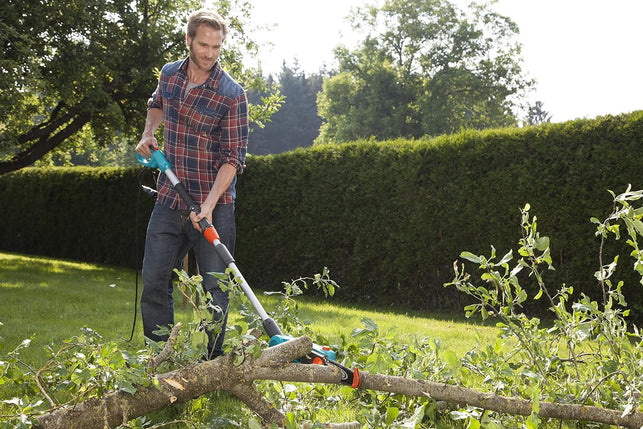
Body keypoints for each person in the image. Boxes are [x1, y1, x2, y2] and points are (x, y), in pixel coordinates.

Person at [135, 9, 248, 359]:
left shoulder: (231, 94)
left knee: (216, 290)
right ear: (188, 40)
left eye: (217, 46)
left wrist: (210, 206)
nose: (210, 53)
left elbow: (233, 158)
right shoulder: (169, 74)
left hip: (215, 206)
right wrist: (149, 133)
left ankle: (212, 364)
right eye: (203, 44)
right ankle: (160, 359)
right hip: (170, 198)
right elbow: (157, 105)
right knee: (154, 281)